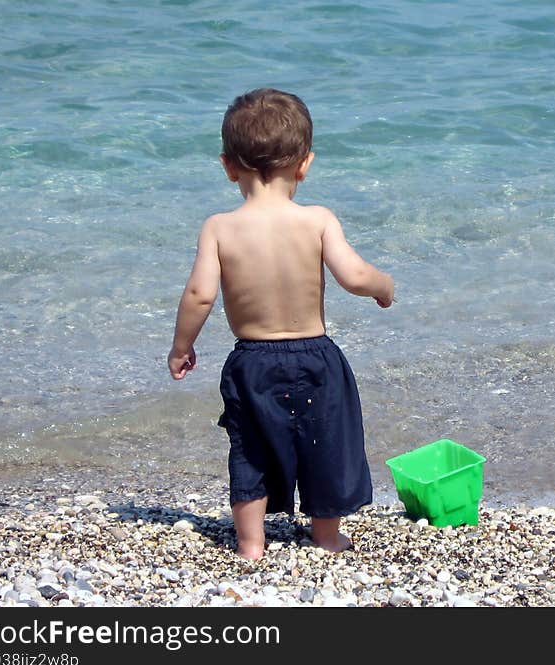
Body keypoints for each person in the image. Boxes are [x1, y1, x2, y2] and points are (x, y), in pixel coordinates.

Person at [167, 88, 395, 560]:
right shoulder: (316, 219)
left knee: (249, 446)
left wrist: (181, 346)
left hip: (251, 358)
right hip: (316, 356)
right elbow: (353, 276)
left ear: (229, 166)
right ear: (304, 164)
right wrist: (383, 286)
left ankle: (251, 544)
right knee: (326, 441)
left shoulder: (219, 227)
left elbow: (200, 294)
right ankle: (327, 535)